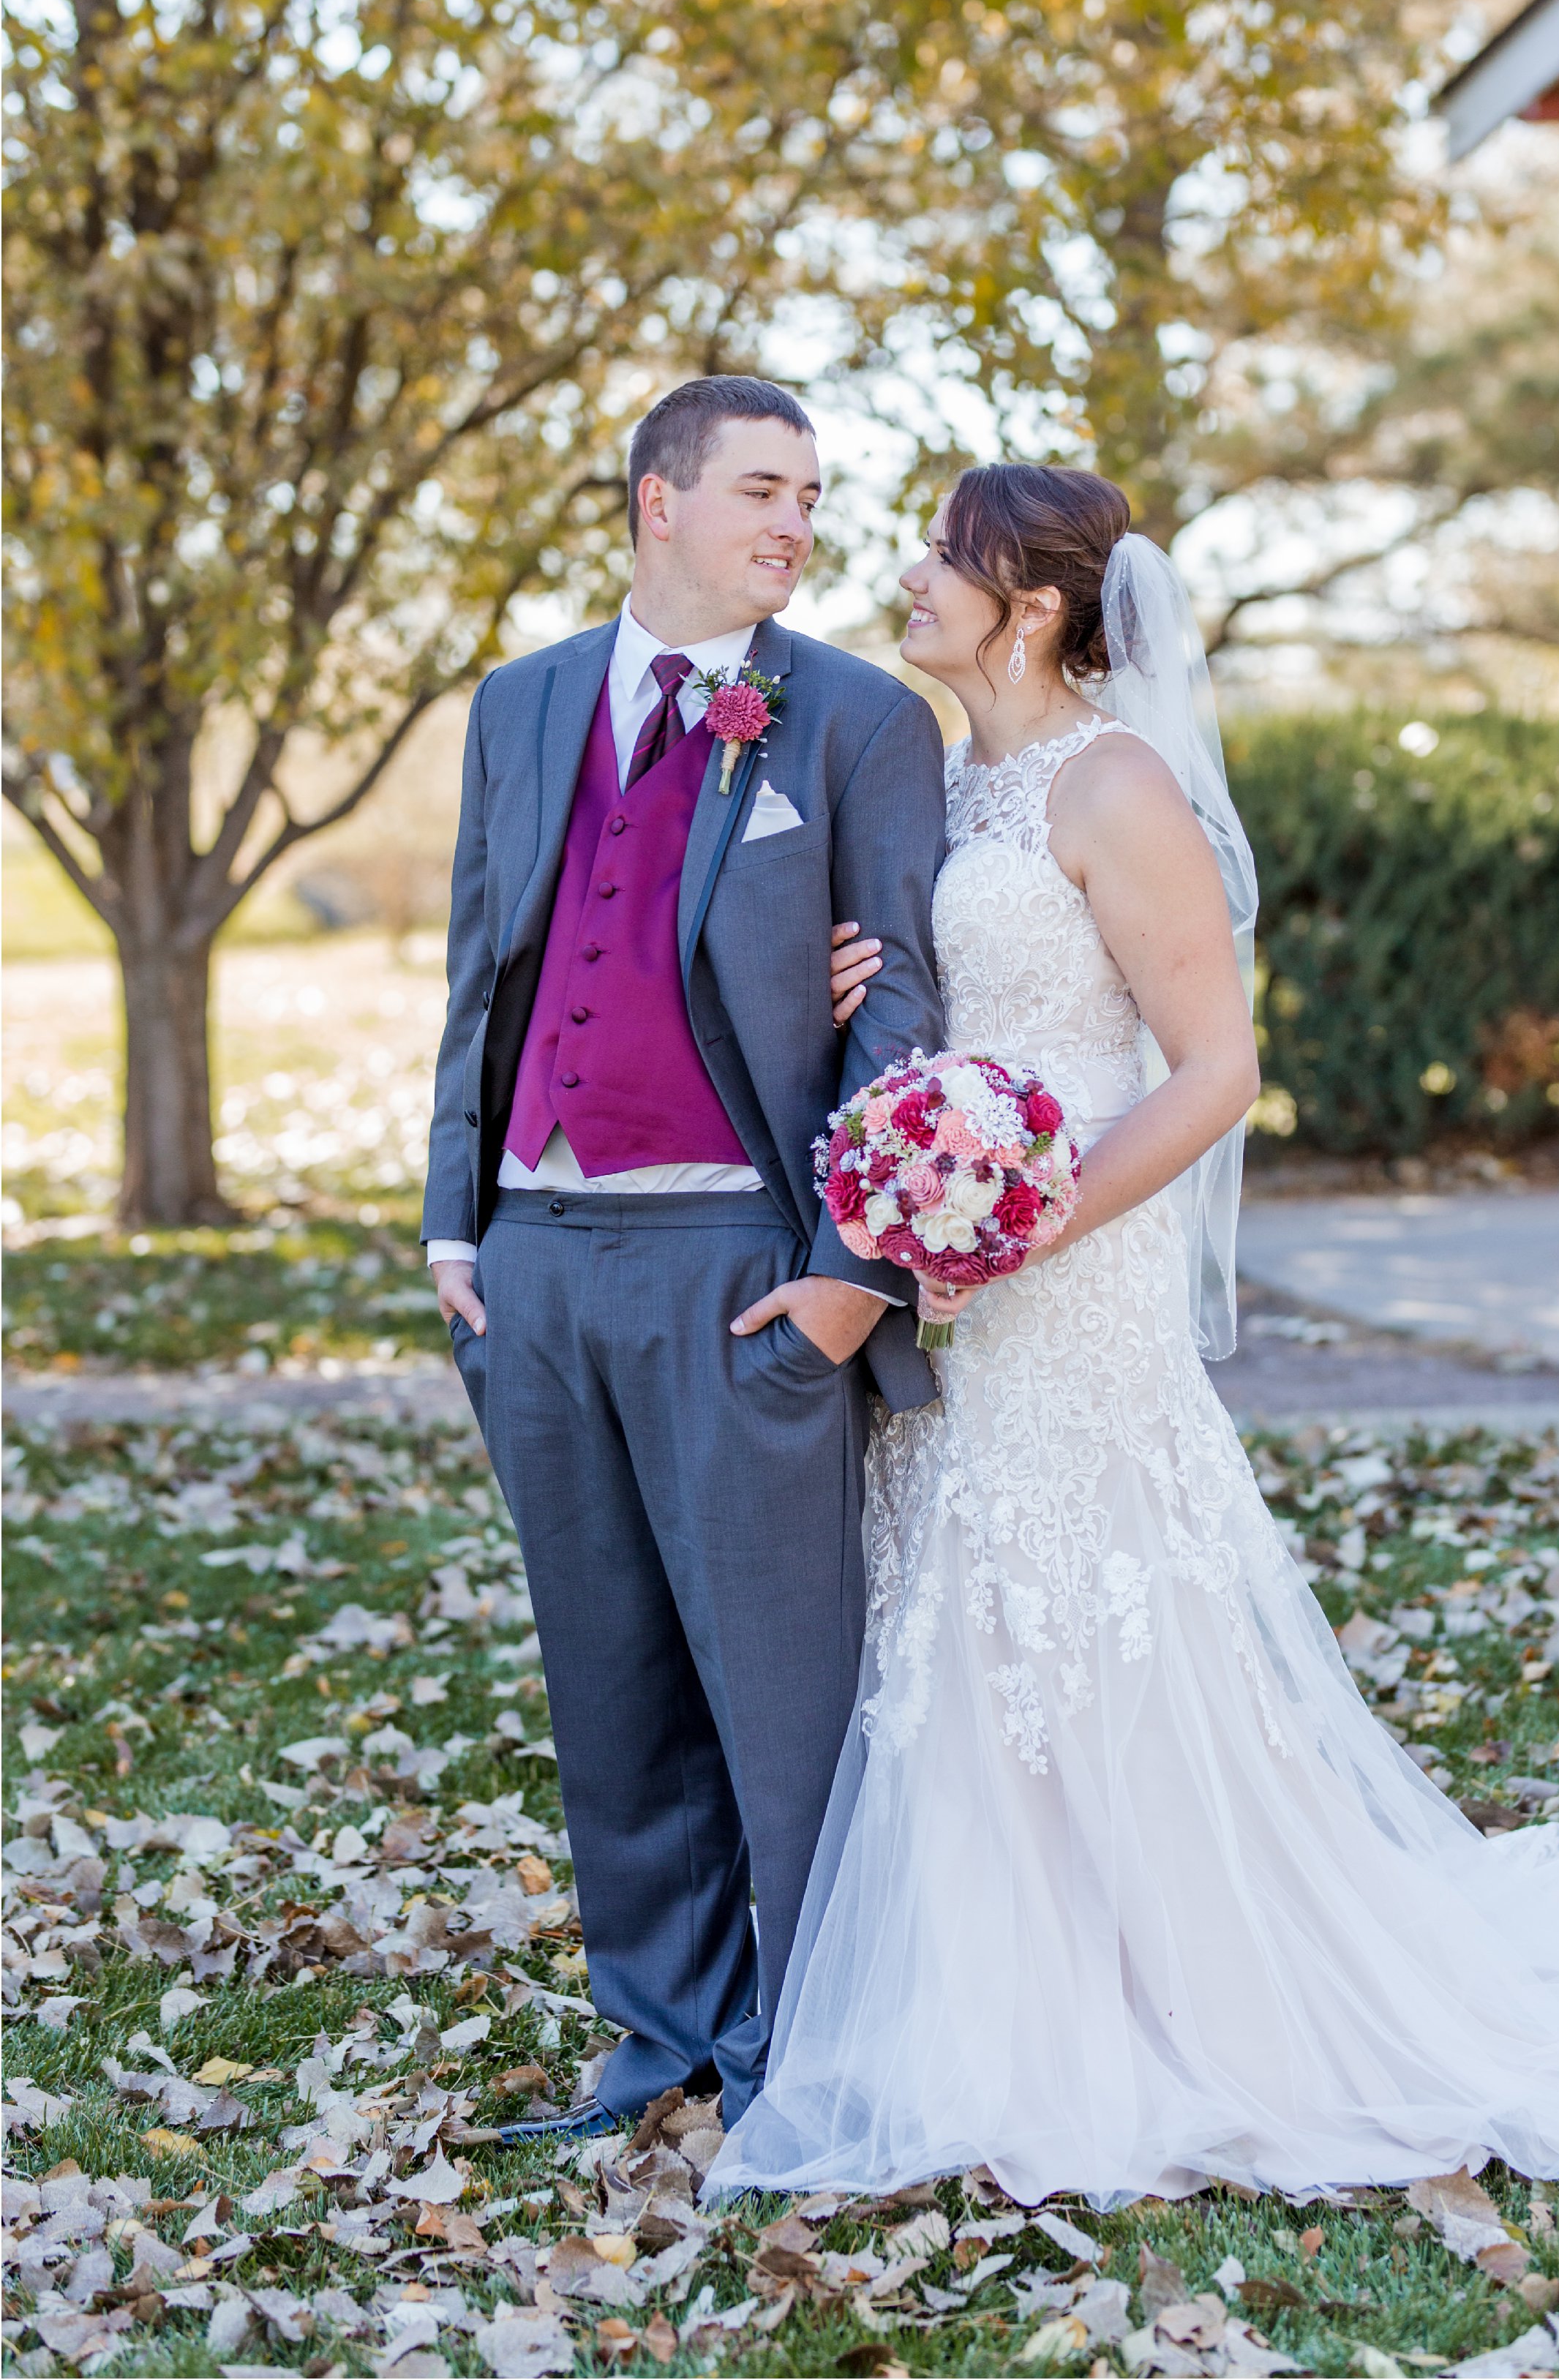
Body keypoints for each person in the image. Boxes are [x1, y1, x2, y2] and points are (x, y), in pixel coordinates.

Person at [707, 460, 1559, 2207]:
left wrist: (1026, 1215)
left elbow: (1216, 1069)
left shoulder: (1117, 782)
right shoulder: (943, 779)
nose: (903, 575)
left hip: (1073, 1268)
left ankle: (1211, 2001)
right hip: (963, 1279)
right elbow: (941, 1004)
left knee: (1097, 1610)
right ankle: (1013, 2007)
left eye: (940, 557)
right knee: (968, 1615)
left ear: (1030, 604)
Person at [422, 375, 947, 2135]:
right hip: (538, 1258)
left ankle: (809, 2056)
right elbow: (481, 975)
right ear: (658, 502)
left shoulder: (856, 721)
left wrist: (848, 1275)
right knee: (609, 1670)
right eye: (760, 489)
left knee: (779, 1686)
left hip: (741, 1260)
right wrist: (453, 1221)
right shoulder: (520, 705)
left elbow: (909, 1026)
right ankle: (660, 2031)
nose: (795, 524)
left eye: (811, 494)